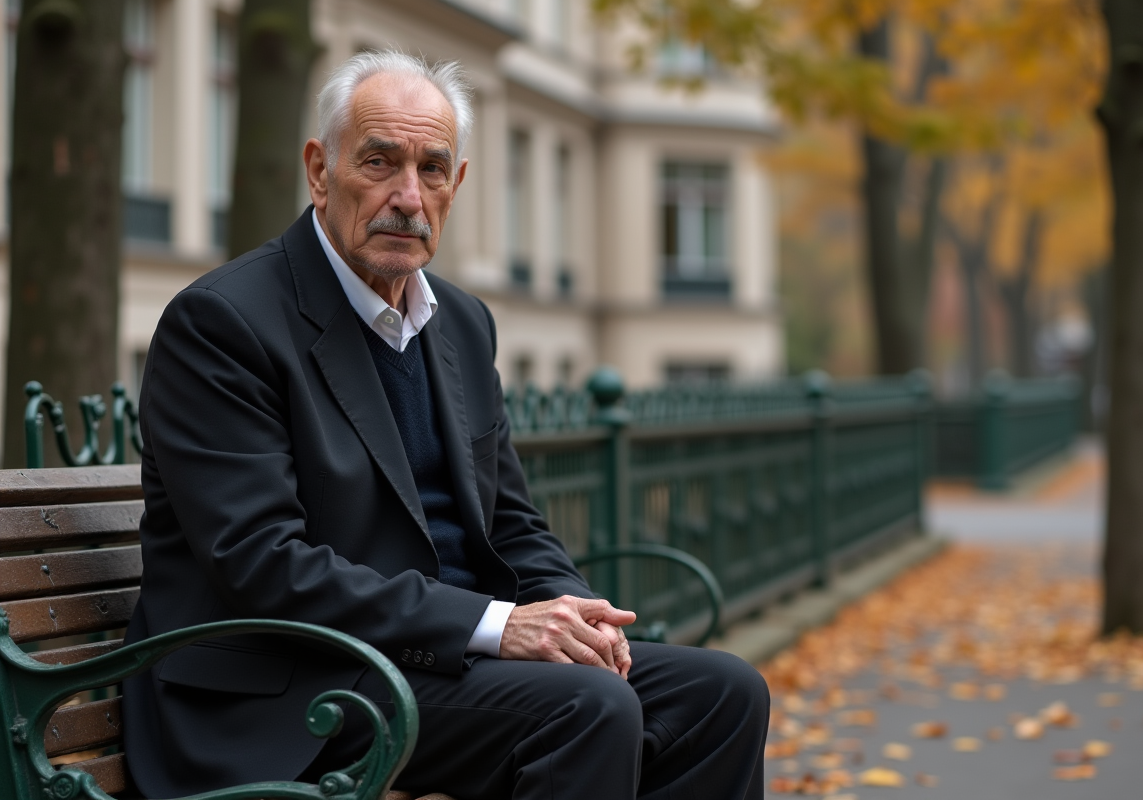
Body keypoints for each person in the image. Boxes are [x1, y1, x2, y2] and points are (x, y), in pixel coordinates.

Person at [122, 50, 769, 800]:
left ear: (456, 186)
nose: (408, 196)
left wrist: (577, 616)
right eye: (379, 162)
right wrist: (498, 625)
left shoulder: (461, 321)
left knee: (723, 693)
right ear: (320, 169)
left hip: (435, 659)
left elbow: (513, 524)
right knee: (588, 710)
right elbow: (265, 564)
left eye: (433, 170)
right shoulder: (224, 322)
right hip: (291, 684)